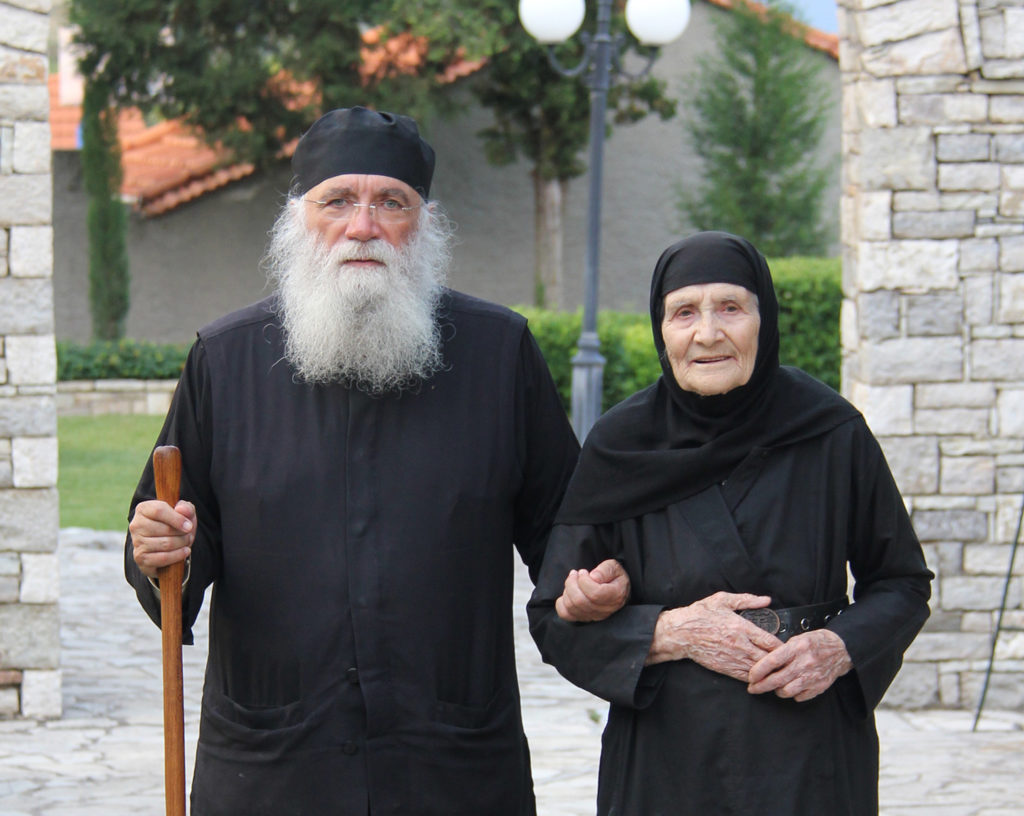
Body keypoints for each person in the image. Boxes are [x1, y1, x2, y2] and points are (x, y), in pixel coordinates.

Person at [125, 106, 589, 816]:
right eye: (337, 200)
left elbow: (569, 529)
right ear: (299, 217)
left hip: (450, 765)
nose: (362, 225)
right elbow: (174, 548)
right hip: (275, 768)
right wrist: (160, 550)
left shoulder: (500, 355)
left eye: (390, 203)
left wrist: (587, 585)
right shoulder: (226, 360)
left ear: (423, 223)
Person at [528, 231, 934, 816]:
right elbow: (552, 620)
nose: (708, 333)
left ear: (761, 321)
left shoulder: (831, 431)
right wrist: (670, 631)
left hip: (810, 751)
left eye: (730, 308)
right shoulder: (620, 445)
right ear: (660, 329)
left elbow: (901, 582)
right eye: (684, 312)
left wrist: (840, 646)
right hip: (666, 758)